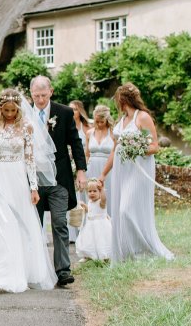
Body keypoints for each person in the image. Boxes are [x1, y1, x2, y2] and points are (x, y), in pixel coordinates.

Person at [0, 89, 57, 293]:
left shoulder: (27, 126)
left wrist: (34, 187)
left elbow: (30, 159)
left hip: (16, 180)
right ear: (0, 108)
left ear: (18, 109)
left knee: (16, 224)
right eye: (5, 110)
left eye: (13, 110)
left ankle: (18, 271)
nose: (9, 114)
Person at [98, 83, 175, 262]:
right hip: (120, 171)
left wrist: (135, 149)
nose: (117, 103)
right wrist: (103, 174)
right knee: (119, 211)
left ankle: (142, 250)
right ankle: (127, 252)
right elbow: (114, 150)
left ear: (123, 99)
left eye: (118, 99)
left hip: (138, 170)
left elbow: (154, 147)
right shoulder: (121, 120)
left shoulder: (143, 117)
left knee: (126, 210)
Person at [29, 76, 87, 286]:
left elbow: (75, 142)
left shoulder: (64, 112)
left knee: (60, 224)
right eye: (36, 96)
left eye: (44, 95)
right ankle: (35, 269)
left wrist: (81, 170)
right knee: (34, 225)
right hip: (33, 180)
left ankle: (63, 270)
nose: (40, 100)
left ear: (51, 92)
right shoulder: (24, 114)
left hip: (58, 179)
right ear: (31, 94)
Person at [66, 100, 92, 241]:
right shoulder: (64, 125)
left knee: (84, 198)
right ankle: (72, 233)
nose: (72, 112)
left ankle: (86, 231)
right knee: (72, 198)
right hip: (70, 164)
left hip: (83, 166)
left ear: (79, 111)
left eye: (75, 110)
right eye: (70, 109)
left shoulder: (87, 128)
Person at [76, 179, 112, 262]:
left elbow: (104, 199)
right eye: (89, 191)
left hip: (101, 226)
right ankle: (89, 255)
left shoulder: (101, 202)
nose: (92, 193)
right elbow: (91, 211)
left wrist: (102, 189)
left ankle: (104, 256)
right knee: (89, 241)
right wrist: (84, 206)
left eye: (95, 191)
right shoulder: (90, 202)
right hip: (90, 225)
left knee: (101, 241)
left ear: (99, 192)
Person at [86, 104, 114, 208]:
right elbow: (87, 155)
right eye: (96, 121)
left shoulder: (113, 133)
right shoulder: (89, 133)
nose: (99, 124)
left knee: (108, 196)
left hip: (109, 169)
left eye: (101, 121)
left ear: (107, 119)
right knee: (91, 196)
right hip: (91, 168)